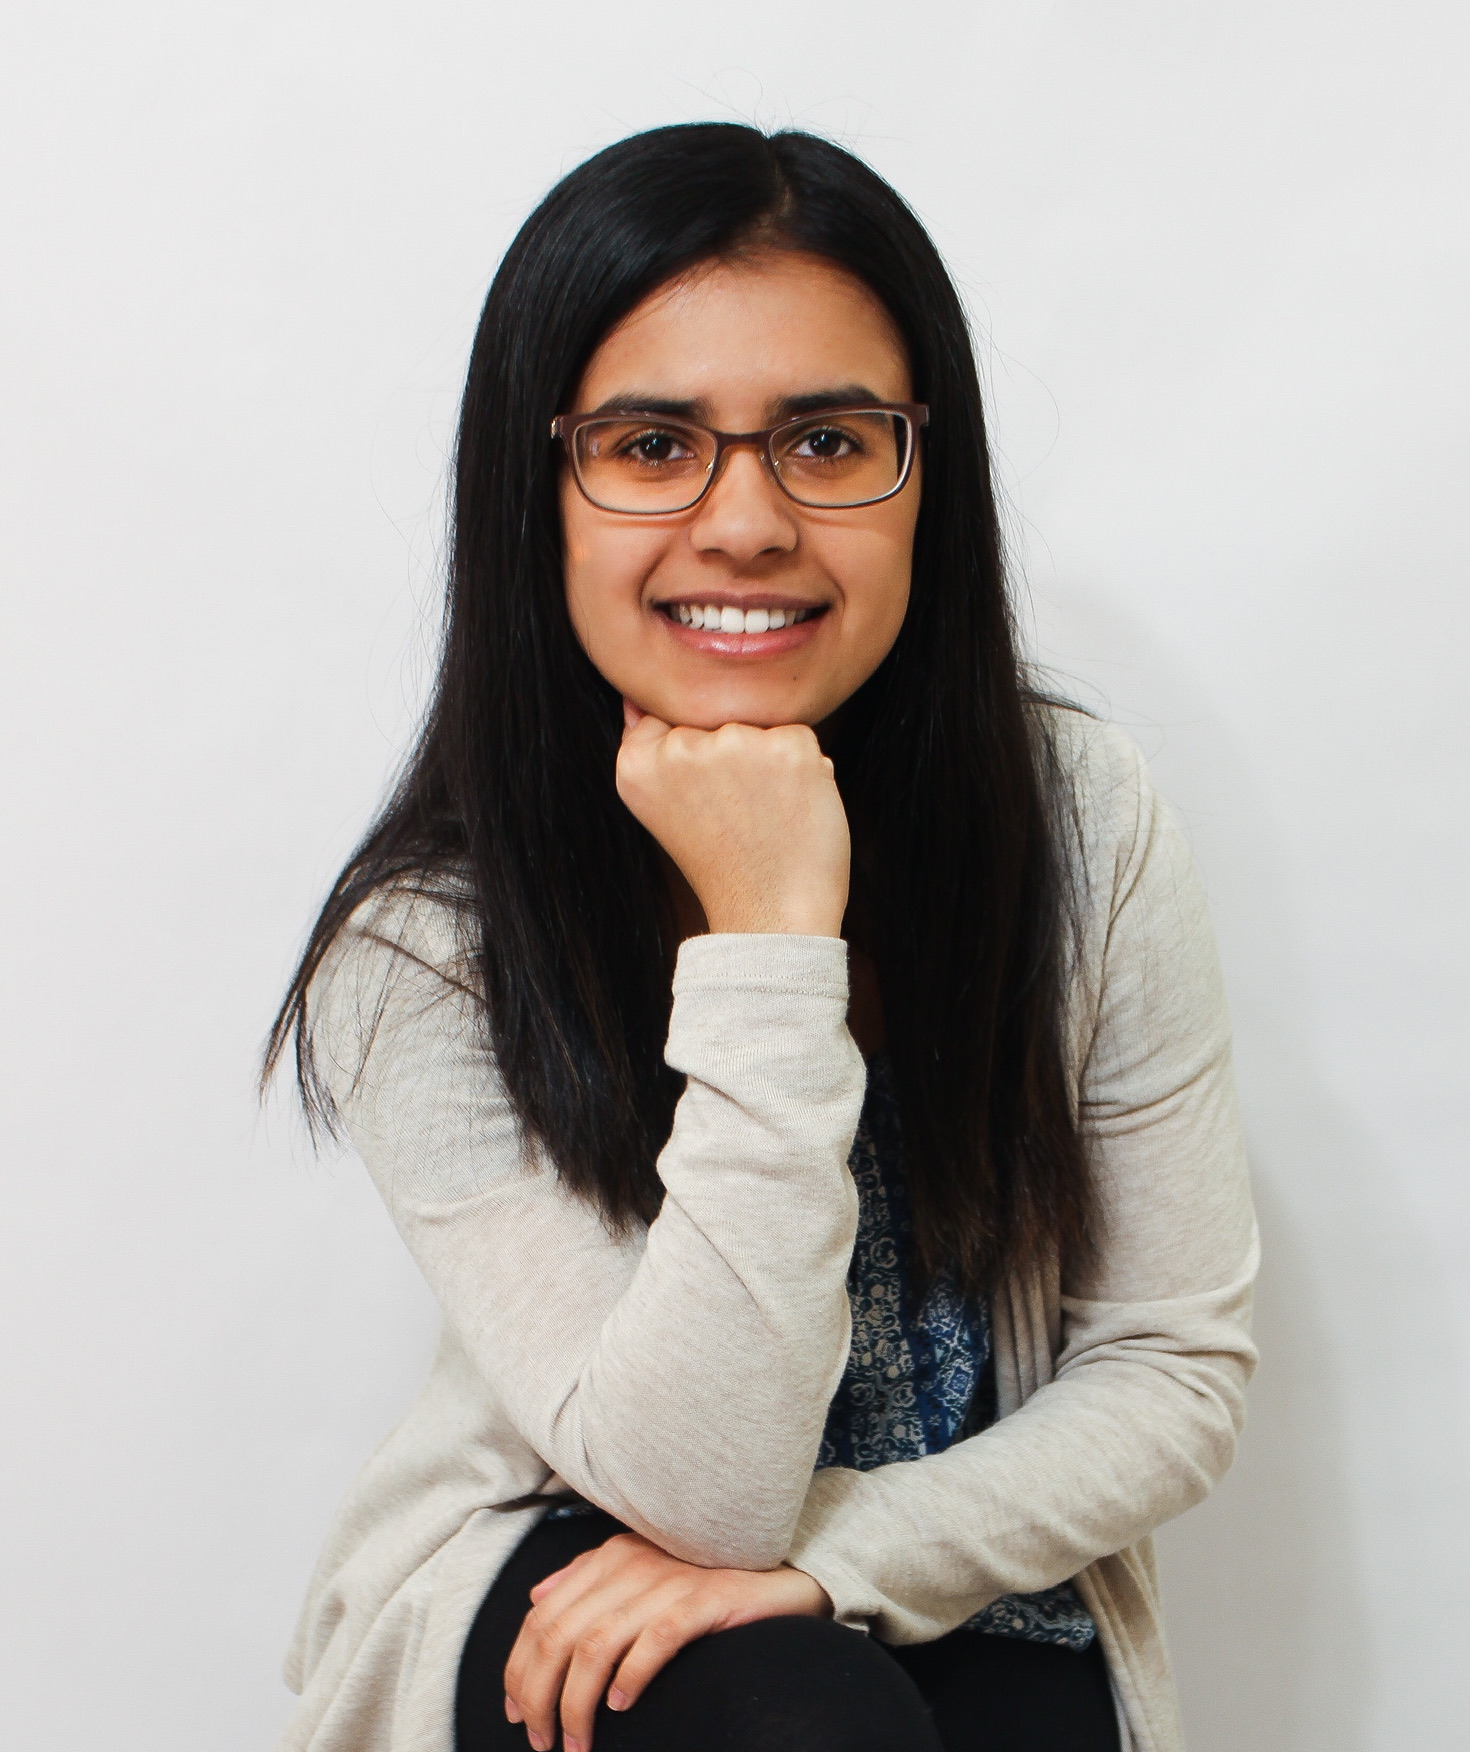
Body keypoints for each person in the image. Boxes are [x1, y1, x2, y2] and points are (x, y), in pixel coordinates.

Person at [263, 124, 1258, 1752]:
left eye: (827, 440)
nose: (744, 522)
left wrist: (839, 1559)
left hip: (956, 1551)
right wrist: (772, 928)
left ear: (927, 476)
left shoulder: (1077, 822)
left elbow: (1170, 1363)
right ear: (537, 492)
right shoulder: (426, 943)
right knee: (795, 1719)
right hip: (578, 1569)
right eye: (652, 444)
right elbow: (695, 1494)